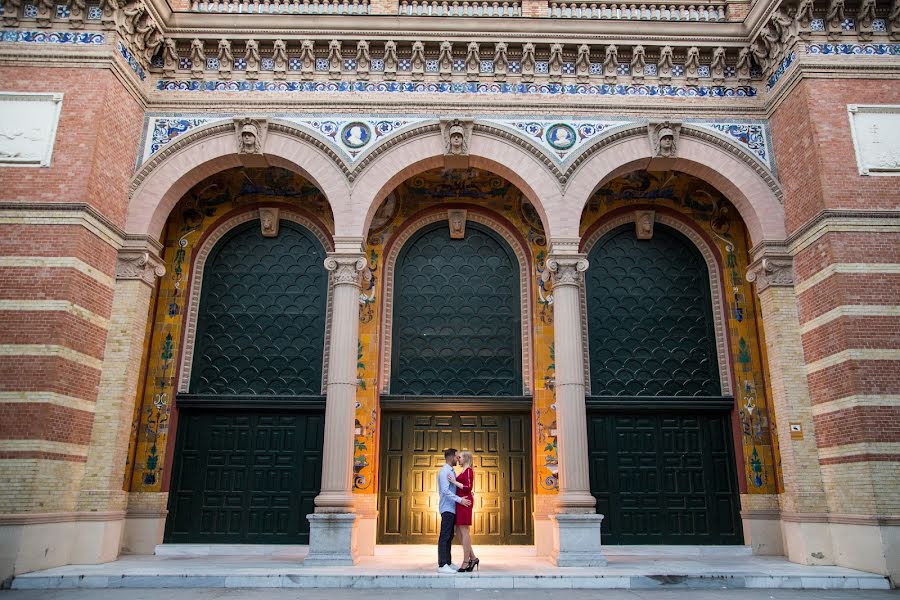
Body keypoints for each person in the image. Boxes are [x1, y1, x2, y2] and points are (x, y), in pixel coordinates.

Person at [437, 448, 471, 574]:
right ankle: (442, 564)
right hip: (447, 508)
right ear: (451, 457)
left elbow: (454, 488)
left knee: (450, 536)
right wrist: (460, 500)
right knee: (445, 536)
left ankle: (448, 562)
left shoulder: (451, 471)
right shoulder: (444, 471)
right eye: (456, 456)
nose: (458, 459)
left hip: (452, 508)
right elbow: (445, 491)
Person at [450, 451, 478, 572]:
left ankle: (466, 561)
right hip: (461, 502)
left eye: (460, 457)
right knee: (459, 531)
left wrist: (454, 481)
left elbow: (468, 487)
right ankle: (473, 558)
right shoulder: (464, 471)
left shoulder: (468, 471)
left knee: (464, 530)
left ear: (466, 458)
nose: (458, 459)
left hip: (465, 502)